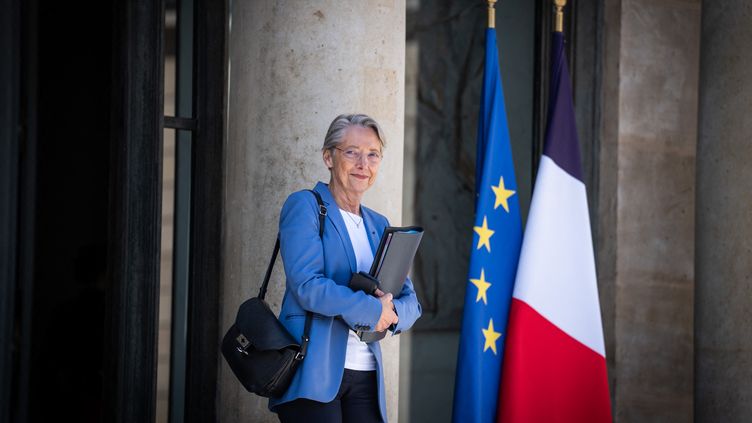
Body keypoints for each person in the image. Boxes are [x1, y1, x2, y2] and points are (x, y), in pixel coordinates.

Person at [270, 114, 422, 423]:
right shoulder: (305, 206)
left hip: (366, 374)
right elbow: (308, 286)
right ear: (329, 157)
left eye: (373, 154)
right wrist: (371, 309)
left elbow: (410, 300)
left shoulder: (378, 224)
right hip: (313, 373)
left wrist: (390, 316)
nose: (363, 164)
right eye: (352, 152)